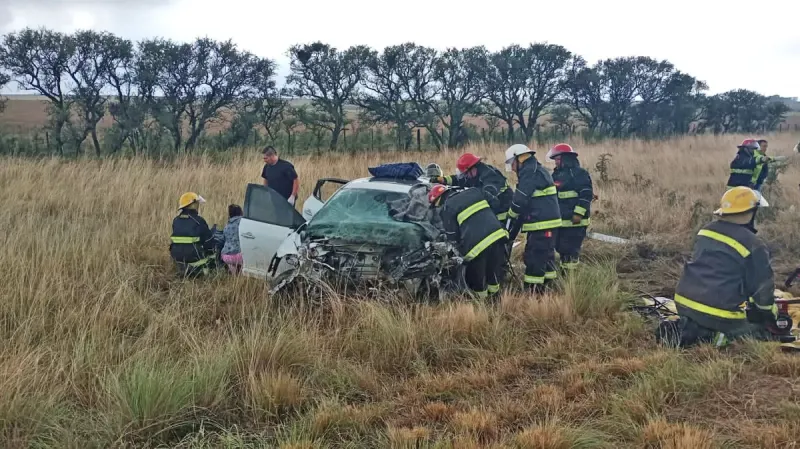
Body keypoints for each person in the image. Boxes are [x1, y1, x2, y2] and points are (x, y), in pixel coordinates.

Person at [660, 186, 778, 348]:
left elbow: (717, 270)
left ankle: (693, 329)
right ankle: (713, 337)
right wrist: (770, 315)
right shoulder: (754, 244)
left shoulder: (706, 231)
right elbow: (763, 290)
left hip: (683, 304)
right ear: (751, 213)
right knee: (762, 333)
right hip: (717, 314)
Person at [428, 184, 508, 299]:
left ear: (438, 199)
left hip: (477, 246)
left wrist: (458, 252)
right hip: (498, 237)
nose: (438, 207)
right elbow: (495, 203)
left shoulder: (447, 207)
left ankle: (481, 303)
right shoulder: (474, 190)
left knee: (477, 278)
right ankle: (495, 300)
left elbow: (452, 237)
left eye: (436, 205)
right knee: (493, 273)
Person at [504, 144, 562, 293]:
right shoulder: (536, 169)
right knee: (547, 258)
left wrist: (509, 217)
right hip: (547, 224)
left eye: (513, 164)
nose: (513, 168)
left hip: (541, 225)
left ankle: (533, 291)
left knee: (534, 258)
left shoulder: (529, 173)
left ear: (520, 159)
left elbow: (520, 200)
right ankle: (548, 289)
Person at [547, 143, 593, 273]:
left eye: (557, 158)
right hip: (561, 222)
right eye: (554, 159)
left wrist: (578, 213)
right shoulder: (556, 175)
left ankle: (570, 278)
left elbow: (586, 194)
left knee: (570, 252)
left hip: (576, 222)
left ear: (565, 158)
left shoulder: (580, 174)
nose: (555, 162)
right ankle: (564, 275)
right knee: (561, 249)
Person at [432, 153, 513, 221]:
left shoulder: (489, 176)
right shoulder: (474, 174)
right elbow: (460, 180)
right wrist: (443, 180)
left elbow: (488, 195)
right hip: (493, 210)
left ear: (472, 168)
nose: (466, 176)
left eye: (466, 174)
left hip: (504, 211)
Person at [170, 192, 216, 277]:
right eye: (197, 203)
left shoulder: (176, 220)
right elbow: (209, 243)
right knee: (214, 252)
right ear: (193, 205)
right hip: (193, 257)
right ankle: (206, 272)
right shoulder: (199, 221)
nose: (198, 205)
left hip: (177, 257)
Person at [221, 204, 244, 274]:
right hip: (239, 255)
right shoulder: (243, 223)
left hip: (226, 256)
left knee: (234, 275)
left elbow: (224, 240)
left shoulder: (227, 226)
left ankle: (233, 274)